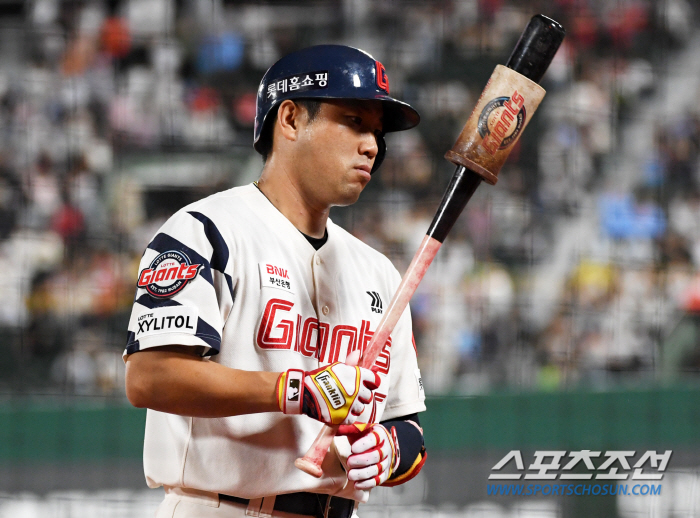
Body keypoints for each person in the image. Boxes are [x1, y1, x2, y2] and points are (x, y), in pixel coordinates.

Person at [124, 45, 427, 518]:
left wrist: (386, 451)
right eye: (353, 121)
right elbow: (149, 377)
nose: (372, 145)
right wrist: (294, 390)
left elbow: (407, 426)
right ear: (289, 119)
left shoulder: (380, 273)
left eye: (376, 132)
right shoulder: (207, 231)